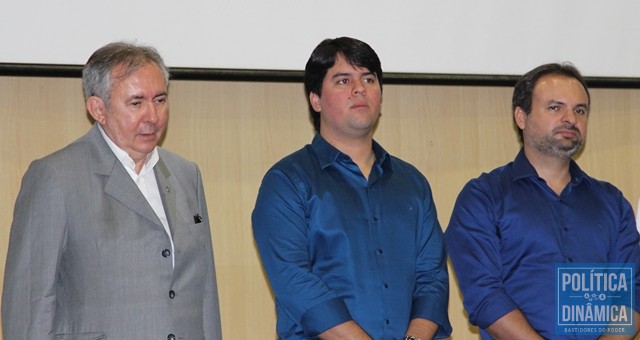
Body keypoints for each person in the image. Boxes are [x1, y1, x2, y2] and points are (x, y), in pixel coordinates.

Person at [1, 41, 222, 339]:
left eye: (160, 100)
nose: (152, 116)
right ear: (98, 109)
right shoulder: (55, 177)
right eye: (136, 103)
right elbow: (29, 307)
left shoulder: (186, 175)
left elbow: (204, 292)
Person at [252, 37, 451, 340]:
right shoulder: (286, 182)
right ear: (315, 99)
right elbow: (296, 281)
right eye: (343, 80)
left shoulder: (412, 183)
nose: (359, 88)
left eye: (368, 79)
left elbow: (432, 277)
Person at [445, 63, 640, 339]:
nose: (570, 118)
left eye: (579, 110)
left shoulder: (613, 203)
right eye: (555, 107)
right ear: (521, 117)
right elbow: (485, 296)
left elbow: (631, 294)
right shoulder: (483, 197)